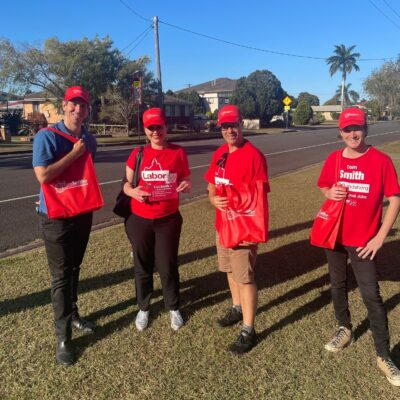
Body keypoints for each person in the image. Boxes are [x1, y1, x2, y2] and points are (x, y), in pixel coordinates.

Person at [317, 107, 400, 386]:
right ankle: (344, 328)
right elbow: (324, 186)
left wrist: (379, 238)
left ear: (366, 129)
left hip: (364, 242)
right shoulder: (334, 159)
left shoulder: (380, 161)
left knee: (372, 296)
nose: (353, 134)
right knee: (337, 285)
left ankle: (383, 354)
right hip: (335, 237)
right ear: (340, 132)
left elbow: (395, 200)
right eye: (348, 129)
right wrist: (330, 192)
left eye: (358, 128)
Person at [32, 86, 98, 366]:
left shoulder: (90, 139)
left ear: (87, 109)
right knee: (60, 276)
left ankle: (73, 314)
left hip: (81, 213)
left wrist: (81, 150)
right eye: (73, 104)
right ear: (64, 105)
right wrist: (74, 153)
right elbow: (44, 176)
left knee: (75, 268)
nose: (77, 109)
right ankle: (63, 337)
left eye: (82, 105)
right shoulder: (46, 137)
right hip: (55, 218)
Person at [204, 105, 269, 355]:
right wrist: (213, 199)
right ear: (219, 128)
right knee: (229, 270)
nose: (230, 130)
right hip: (223, 224)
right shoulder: (220, 152)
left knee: (245, 277)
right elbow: (212, 184)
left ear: (242, 124)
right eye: (225, 126)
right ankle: (237, 307)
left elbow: (259, 197)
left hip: (242, 226)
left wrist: (244, 220)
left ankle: (248, 329)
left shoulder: (253, 155)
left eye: (234, 125)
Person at [123, 107, 191, 332]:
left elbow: (184, 179)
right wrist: (132, 192)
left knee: (167, 265)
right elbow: (126, 184)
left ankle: (173, 306)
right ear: (145, 130)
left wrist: (186, 184)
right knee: (142, 265)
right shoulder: (138, 153)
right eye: (151, 128)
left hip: (168, 219)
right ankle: (143, 307)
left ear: (165, 127)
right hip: (139, 219)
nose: (156, 132)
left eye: (159, 127)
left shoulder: (177, 152)